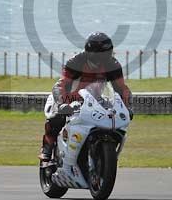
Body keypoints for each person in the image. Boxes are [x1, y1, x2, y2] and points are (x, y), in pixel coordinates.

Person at [39, 31, 133, 160]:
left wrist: (127, 107)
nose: (103, 59)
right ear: (90, 53)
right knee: (56, 117)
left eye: (106, 54)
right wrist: (62, 104)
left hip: (95, 100)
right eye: (100, 55)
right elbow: (61, 85)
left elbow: (122, 89)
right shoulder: (76, 62)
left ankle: (99, 155)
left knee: (113, 122)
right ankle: (47, 148)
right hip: (69, 99)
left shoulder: (113, 65)